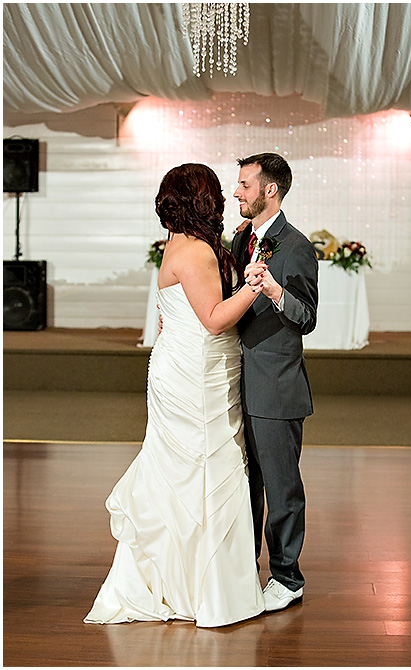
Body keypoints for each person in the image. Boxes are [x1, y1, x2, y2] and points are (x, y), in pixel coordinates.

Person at [85, 163, 270, 627]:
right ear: (204, 200)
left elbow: (169, 316)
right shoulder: (197, 252)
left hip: (186, 366)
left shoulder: (179, 243)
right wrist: (255, 285)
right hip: (196, 376)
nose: (228, 198)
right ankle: (205, 591)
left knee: (184, 474)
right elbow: (213, 318)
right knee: (204, 470)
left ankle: (181, 580)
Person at [231, 152, 319, 612]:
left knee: (281, 487)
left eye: (244, 184)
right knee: (244, 484)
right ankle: (244, 567)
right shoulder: (240, 237)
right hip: (236, 383)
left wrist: (275, 292)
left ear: (270, 190)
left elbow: (307, 318)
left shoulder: (297, 246)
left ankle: (287, 576)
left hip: (277, 387)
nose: (236, 192)